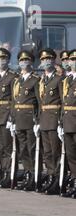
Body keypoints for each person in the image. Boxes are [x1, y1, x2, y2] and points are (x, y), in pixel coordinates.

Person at [11, 50, 40, 191]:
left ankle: (35, 175)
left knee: (32, 148)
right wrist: (12, 118)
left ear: (31, 62)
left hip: (30, 118)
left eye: (26, 60)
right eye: (21, 61)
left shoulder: (35, 79)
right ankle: (28, 173)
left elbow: (39, 102)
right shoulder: (17, 80)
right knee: (23, 149)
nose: (24, 63)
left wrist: (38, 120)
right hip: (19, 117)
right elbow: (14, 101)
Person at [0, 48, 18, 188]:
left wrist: (12, 117)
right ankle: (3, 170)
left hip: (6, 115)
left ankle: (9, 173)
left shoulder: (13, 77)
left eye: (3, 59)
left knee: (7, 146)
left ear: (8, 60)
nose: (1, 61)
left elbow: (14, 99)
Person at [37, 48, 64, 195]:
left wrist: (60, 121)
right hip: (44, 119)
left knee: (55, 151)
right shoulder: (42, 80)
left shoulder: (59, 79)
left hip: (54, 119)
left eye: (48, 59)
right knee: (47, 152)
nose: (46, 62)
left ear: (54, 61)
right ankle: (51, 175)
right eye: (43, 59)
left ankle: (57, 178)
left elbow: (63, 101)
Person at [60, 49, 76, 198]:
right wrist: (60, 122)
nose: (73, 62)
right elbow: (63, 103)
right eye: (71, 59)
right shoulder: (67, 80)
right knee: (71, 155)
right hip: (67, 121)